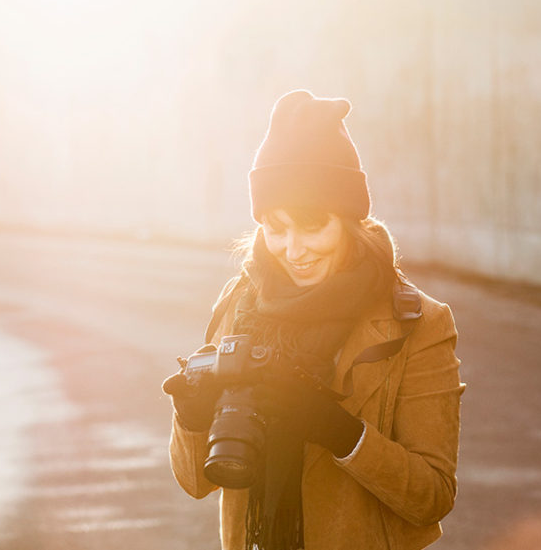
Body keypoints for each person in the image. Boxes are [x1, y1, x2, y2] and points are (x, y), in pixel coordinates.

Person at [162, 89, 464, 550]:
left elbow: (432, 497)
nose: (293, 250)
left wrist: (339, 432)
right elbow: (197, 483)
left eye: (311, 225)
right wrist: (190, 417)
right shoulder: (241, 302)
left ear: (348, 219)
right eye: (276, 228)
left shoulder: (418, 324)